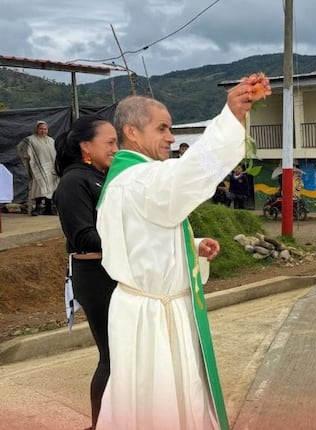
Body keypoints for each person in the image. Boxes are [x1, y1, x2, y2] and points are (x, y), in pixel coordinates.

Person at [96, 76, 262, 429]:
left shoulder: (125, 180)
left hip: (139, 307)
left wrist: (191, 245)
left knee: (140, 399)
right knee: (164, 401)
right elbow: (187, 177)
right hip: (155, 318)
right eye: (163, 128)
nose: (171, 137)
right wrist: (229, 117)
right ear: (132, 132)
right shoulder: (140, 180)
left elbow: (140, 238)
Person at [52, 115, 119, 430]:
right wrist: (134, 240)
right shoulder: (73, 182)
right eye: (110, 142)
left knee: (125, 355)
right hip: (95, 276)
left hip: (112, 271)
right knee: (113, 356)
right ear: (85, 146)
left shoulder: (99, 177)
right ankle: (99, 425)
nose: (116, 148)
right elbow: (83, 236)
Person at [17, 120, 59, 215]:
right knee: (39, 188)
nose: (43, 131)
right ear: (36, 129)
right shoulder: (30, 140)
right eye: (41, 129)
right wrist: (27, 157)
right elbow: (21, 149)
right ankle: (37, 208)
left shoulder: (51, 140)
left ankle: (48, 208)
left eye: (45, 129)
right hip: (37, 168)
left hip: (50, 168)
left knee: (51, 188)